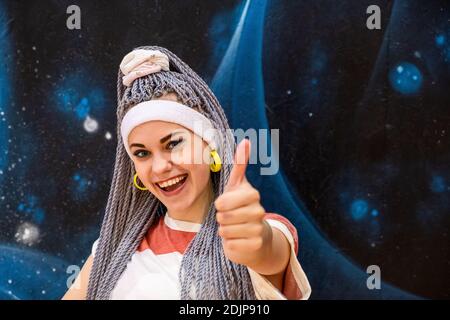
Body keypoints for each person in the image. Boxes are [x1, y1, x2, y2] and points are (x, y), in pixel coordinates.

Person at [62, 46, 311, 300]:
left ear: (210, 143)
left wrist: (256, 240)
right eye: (142, 153)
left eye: (173, 144)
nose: (159, 167)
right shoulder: (112, 251)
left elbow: (268, 251)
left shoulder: (268, 230)